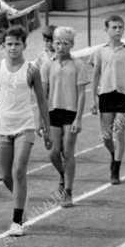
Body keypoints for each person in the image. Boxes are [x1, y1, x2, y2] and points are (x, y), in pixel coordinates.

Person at [0, 26, 49, 237]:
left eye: (17, 44)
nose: (13, 48)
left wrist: (46, 128)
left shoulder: (32, 70)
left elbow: (41, 99)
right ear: (3, 45)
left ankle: (17, 220)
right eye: (9, 44)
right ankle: (20, 200)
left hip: (25, 126)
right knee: (5, 175)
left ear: (24, 45)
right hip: (3, 126)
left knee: (19, 170)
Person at [42, 26, 90, 207]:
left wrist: (78, 118)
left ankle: (68, 191)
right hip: (53, 112)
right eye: (57, 42)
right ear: (52, 43)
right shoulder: (48, 64)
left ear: (71, 45)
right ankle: (63, 174)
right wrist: (42, 118)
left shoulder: (78, 65)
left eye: (65, 43)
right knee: (54, 153)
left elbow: (82, 93)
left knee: (68, 152)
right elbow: (44, 93)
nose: (60, 46)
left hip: (70, 112)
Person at [92, 15, 125, 185]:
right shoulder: (100, 51)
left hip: (123, 96)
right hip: (105, 95)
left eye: (120, 27)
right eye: (114, 27)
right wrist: (93, 99)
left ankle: (116, 169)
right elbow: (96, 75)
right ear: (106, 30)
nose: (118, 30)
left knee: (119, 131)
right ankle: (113, 154)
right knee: (106, 136)